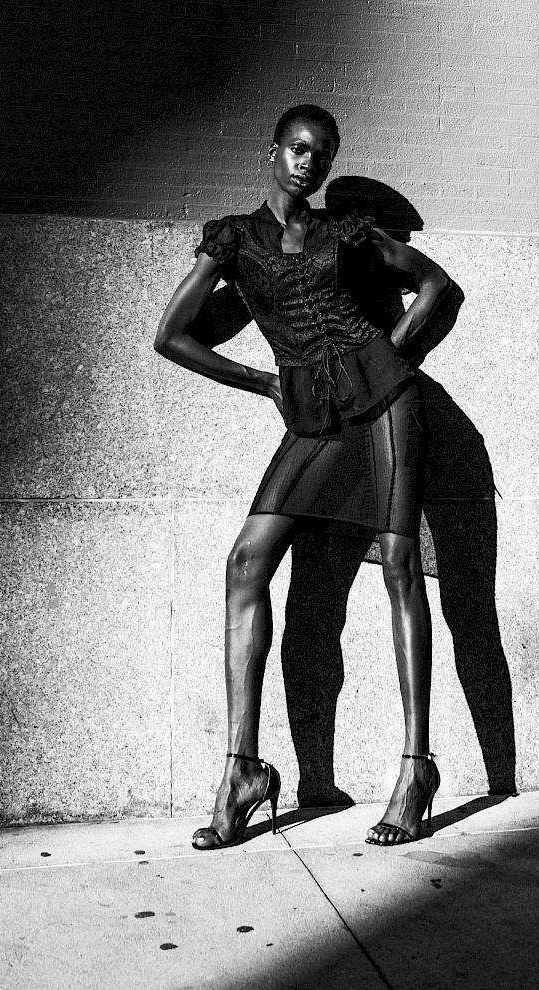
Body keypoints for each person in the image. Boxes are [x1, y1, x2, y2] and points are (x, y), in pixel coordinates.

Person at [154, 105, 455, 847]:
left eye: (321, 153)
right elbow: (173, 336)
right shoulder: (237, 242)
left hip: (384, 403)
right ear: (272, 151)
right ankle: (242, 771)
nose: (308, 162)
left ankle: (416, 769)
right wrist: (263, 382)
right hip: (314, 416)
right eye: (297, 148)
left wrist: (390, 354)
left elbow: (437, 286)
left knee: (400, 566)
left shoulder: (345, 233)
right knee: (246, 562)